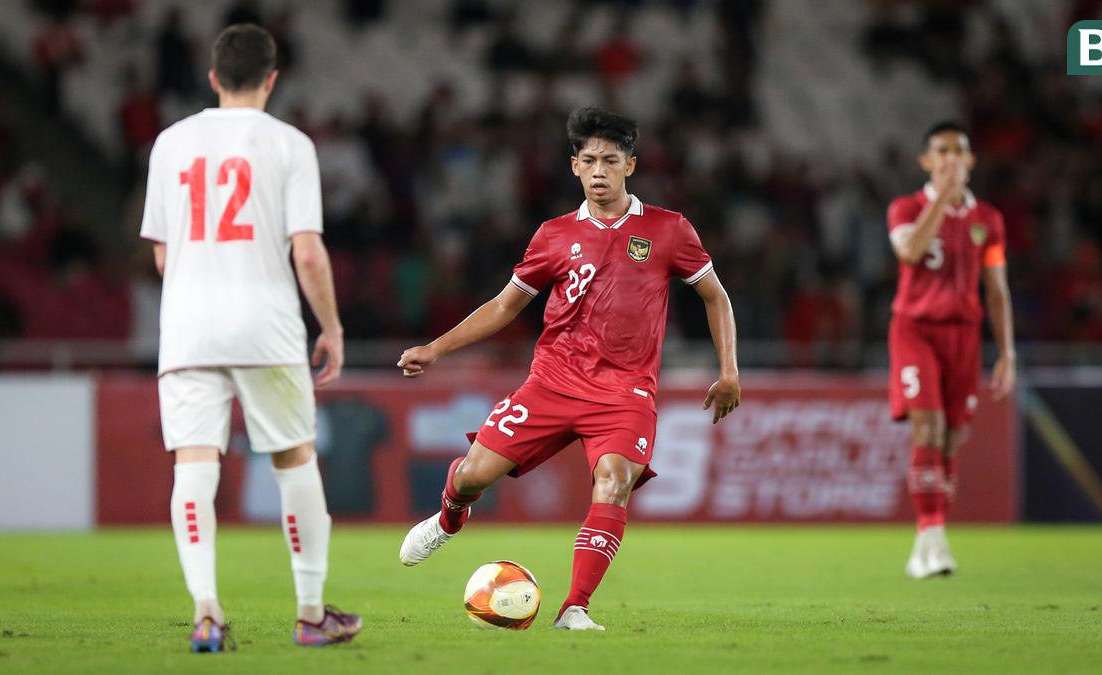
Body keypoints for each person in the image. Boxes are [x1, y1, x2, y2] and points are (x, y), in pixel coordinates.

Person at [397, 107, 740, 631]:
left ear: (631, 165)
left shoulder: (669, 230)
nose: (599, 170)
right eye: (589, 160)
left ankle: (573, 607)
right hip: (552, 383)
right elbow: (504, 306)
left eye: (610, 160)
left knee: (614, 481)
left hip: (625, 393)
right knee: (471, 477)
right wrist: (436, 349)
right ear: (574, 167)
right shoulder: (554, 236)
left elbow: (715, 298)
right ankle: (449, 518)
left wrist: (729, 370)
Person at [139, 23, 360, 651]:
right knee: (293, 457)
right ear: (272, 79)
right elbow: (309, 253)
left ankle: (207, 609)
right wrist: (333, 328)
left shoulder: (170, 143)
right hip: (265, 326)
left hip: (187, 329)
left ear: (212, 78)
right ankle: (312, 614)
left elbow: (161, 257)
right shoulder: (289, 144)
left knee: (194, 462)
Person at [886, 121, 1015, 579]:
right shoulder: (906, 207)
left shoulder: (989, 221)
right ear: (927, 161)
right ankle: (933, 538)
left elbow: (996, 289)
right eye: (941, 151)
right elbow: (910, 252)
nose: (951, 159)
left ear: (971, 161)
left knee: (950, 440)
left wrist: (1008, 352)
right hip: (916, 329)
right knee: (928, 427)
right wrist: (943, 198)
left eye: (959, 151)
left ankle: (927, 541)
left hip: (964, 335)